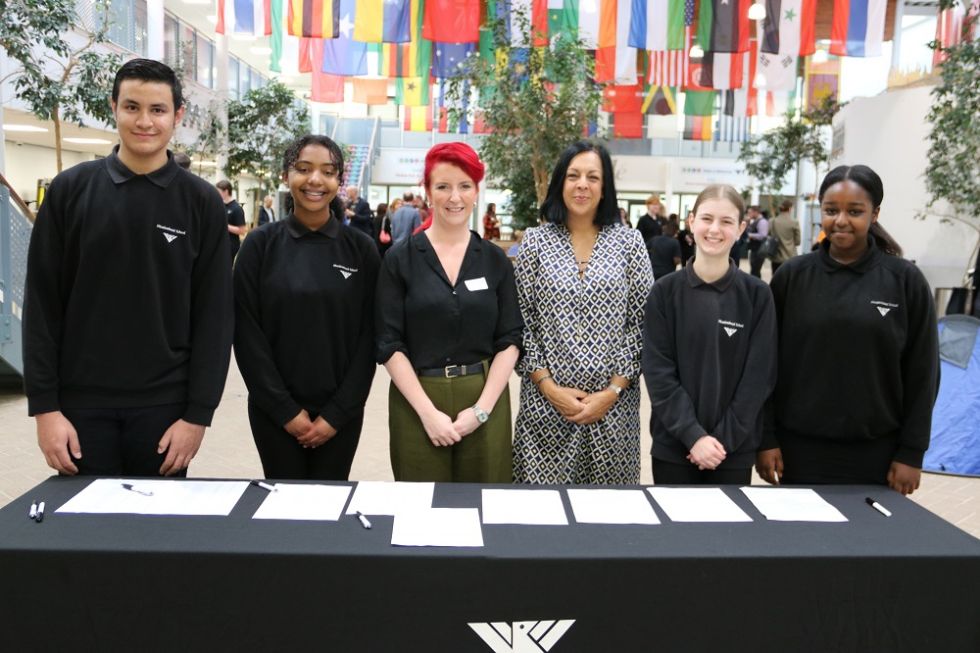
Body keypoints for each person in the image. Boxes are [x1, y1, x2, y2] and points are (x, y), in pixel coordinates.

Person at [23, 58, 232, 477]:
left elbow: (215, 315)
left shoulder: (201, 201)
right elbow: (42, 304)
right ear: (114, 107)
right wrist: (45, 409)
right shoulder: (70, 191)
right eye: (132, 107)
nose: (144, 121)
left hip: (165, 409)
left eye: (157, 110)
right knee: (87, 538)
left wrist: (198, 415)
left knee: (157, 537)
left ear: (177, 116)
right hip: (80, 406)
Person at [757, 165, 939, 496]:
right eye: (831, 210)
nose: (840, 220)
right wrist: (766, 438)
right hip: (799, 453)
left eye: (855, 211)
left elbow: (923, 372)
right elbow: (766, 367)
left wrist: (912, 452)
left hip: (879, 455)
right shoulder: (791, 278)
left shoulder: (905, 281)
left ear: (875, 213)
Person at [234, 135, 379, 480]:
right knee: (281, 511)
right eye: (304, 169)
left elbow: (370, 336)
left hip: (340, 414)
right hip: (274, 412)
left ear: (339, 182)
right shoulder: (260, 245)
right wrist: (285, 410)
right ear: (286, 176)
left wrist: (338, 412)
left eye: (328, 172)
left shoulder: (361, 249)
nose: (315, 180)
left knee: (332, 507)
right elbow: (246, 334)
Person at [376, 142, 522, 482]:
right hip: (418, 399)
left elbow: (510, 339)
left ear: (476, 191)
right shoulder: (401, 259)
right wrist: (428, 414)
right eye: (443, 186)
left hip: (484, 397)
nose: (454, 197)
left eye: (464, 186)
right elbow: (388, 341)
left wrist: (481, 411)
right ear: (427, 192)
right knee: (421, 511)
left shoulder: (494, 260)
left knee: (485, 508)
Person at [513, 141, 654, 485]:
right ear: (560, 183)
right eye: (573, 175)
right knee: (541, 516)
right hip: (544, 407)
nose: (582, 185)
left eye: (593, 177)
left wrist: (613, 391)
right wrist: (548, 387)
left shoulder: (630, 243)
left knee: (608, 523)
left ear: (604, 188)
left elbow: (643, 323)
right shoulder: (534, 242)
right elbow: (520, 322)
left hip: (614, 410)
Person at [642, 185, 777, 485]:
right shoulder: (664, 292)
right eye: (706, 219)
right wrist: (693, 437)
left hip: (732, 452)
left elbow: (758, 378)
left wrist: (720, 442)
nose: (715, 229)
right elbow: (659, 373)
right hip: (674, 449)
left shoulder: (757, 295)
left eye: (727, 222)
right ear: (691, 223)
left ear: (741, 228)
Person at [217, 179, 246, 261]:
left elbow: (242, 230)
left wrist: (224, 226)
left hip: (230, 245)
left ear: (226, 191)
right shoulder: (220, 205)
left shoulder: (236, 208)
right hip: (219, 244)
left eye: (218, 191)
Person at [769, 198, 801, 274]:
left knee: (776, 281)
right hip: (791, 257)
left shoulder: (773, 221)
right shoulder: (794, 222)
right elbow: (797, 242)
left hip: (776, 257)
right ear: (790, 209)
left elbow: (771, 235)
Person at [746, 206, 769, 278]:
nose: (748, 214)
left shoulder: (762, 221)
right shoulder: (755, 221)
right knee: (754, 270)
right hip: (755, 249)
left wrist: (749, 235)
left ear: (755, 212)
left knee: (755, 271)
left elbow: (763, 235)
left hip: (759, 249)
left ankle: (757, 288)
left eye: (750, 212)